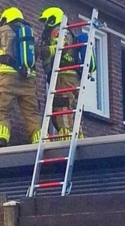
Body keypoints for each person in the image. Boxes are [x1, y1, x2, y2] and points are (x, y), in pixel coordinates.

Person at [0, 7, 40, 147]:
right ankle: (39, 140)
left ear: (6, 18)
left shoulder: (2, 31)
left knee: (2, 109)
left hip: (8, 78)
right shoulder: (32, 33)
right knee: (32, 113)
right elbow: (37, 53)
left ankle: (1, 139)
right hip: (28, 79)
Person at [38, 7, 93, 141]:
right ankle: (77, 138)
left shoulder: (59, 31)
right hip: (72, 78)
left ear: (53, 19)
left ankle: (65, 138)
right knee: (71, 111)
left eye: (46, 21)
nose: (45, 25)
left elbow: (58, 45)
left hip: (64, 77)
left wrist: (44, 51)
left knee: (61, 107)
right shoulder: (68, 32)